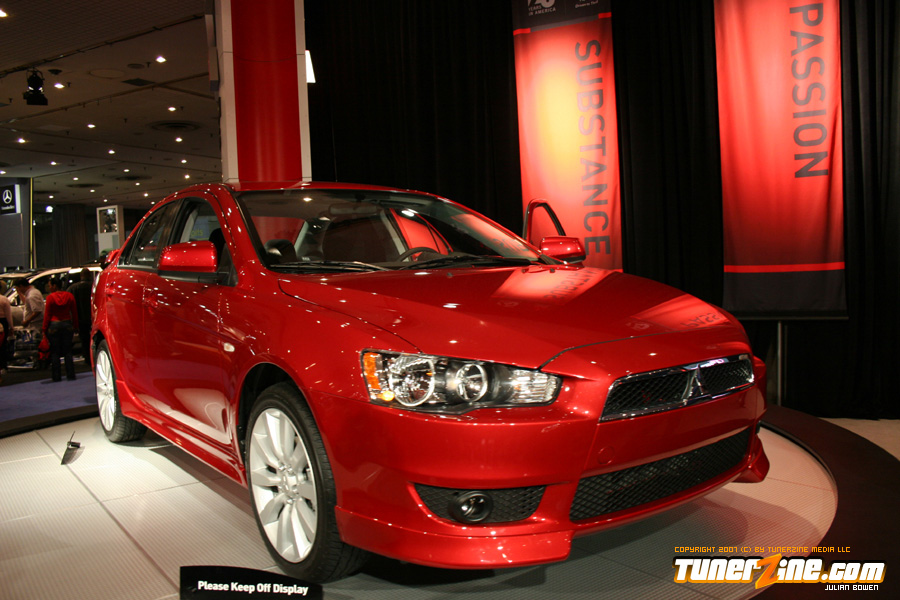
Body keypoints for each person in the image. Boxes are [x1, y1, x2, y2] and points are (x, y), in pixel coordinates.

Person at [42, 277, 79, 382]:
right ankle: (70, 374)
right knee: (68, 351)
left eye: (50, 285)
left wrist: (44, 329)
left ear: (54, 286)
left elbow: (47, 314)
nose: (49, 287)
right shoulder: (69, 296)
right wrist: (75, 326)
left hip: (54, 325)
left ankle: (56, 376)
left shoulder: (50, 297)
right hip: (67, 324)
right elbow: (74, 312)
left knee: (55, 352)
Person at [67, 268, 94, 360]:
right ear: (89, 275)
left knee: (84, 339)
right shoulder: (94, 286)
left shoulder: (72, 288)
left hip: (80, 318)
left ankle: (87, 357)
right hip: (93, 316)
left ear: (81, 276)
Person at [0, 290, 10, 383]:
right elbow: (8, 315)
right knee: (2, 347)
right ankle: (3, 366)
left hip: (1, 326)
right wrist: (11, 326)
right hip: (2, 324)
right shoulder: (3, 299)